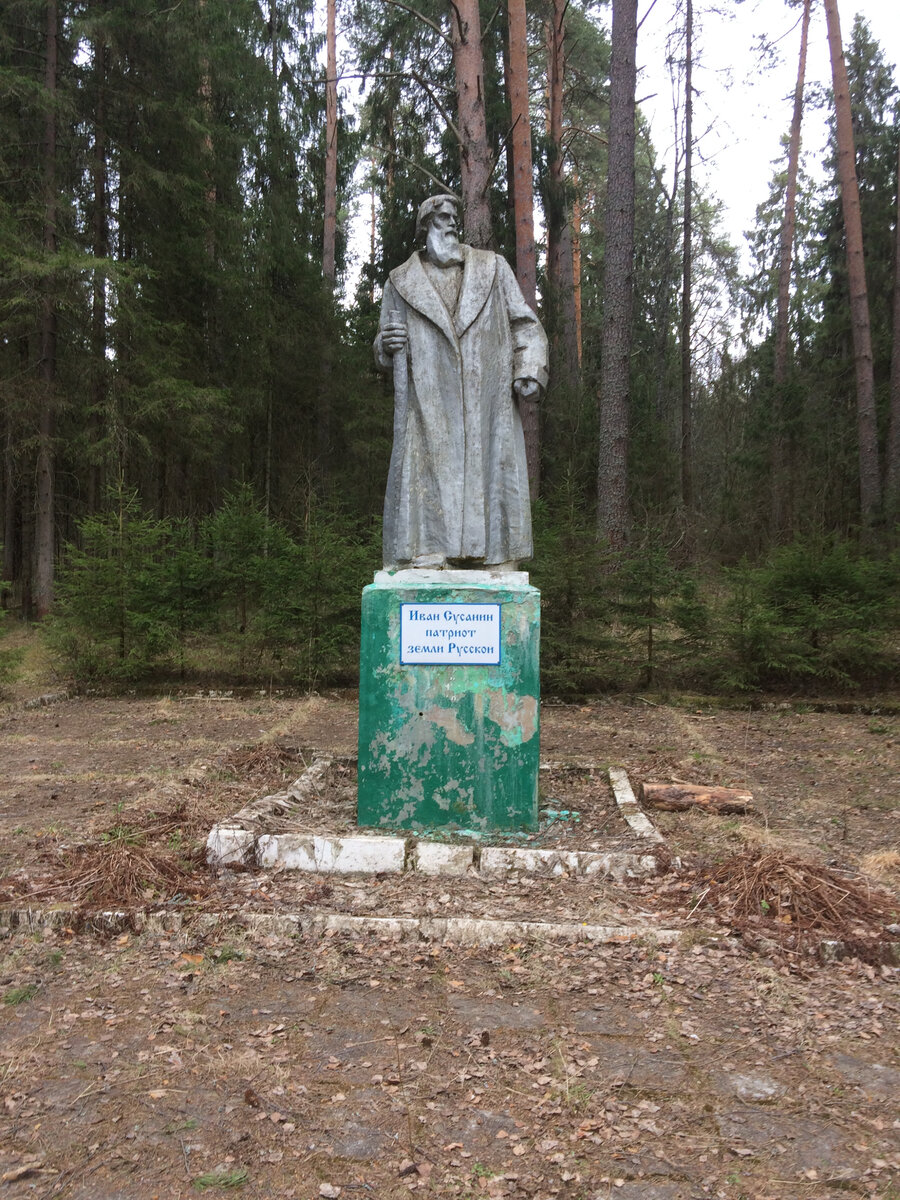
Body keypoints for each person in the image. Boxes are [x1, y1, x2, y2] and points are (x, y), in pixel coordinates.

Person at [374, 194, 548, 571]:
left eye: (454, 217)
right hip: (428, 404)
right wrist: (385, 345)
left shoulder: (493, 269)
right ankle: (424, 551)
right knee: (425, 474)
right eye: (442, 218)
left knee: (492, 475)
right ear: (425, 227)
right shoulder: (400, 282)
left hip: (486, 401)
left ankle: (494, 558)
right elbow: (383, 344)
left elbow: (526, 325)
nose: (452, 224)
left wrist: (530, 368)